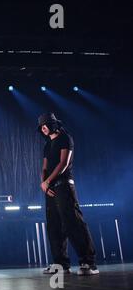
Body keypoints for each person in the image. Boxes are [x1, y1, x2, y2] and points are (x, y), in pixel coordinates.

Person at [38, 113, 98, 276]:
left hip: (64, 186)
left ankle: (88, 263)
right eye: (41, 126)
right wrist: (43, 184)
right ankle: (61, 264)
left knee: (74, 223)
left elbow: (63, 164)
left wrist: (48, 181)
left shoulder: (65, 138)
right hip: (50, 189)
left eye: (45, 125)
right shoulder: (47, 145)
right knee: (54, 226)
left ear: (53, 124)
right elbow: (44, 167)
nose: (43, 128)